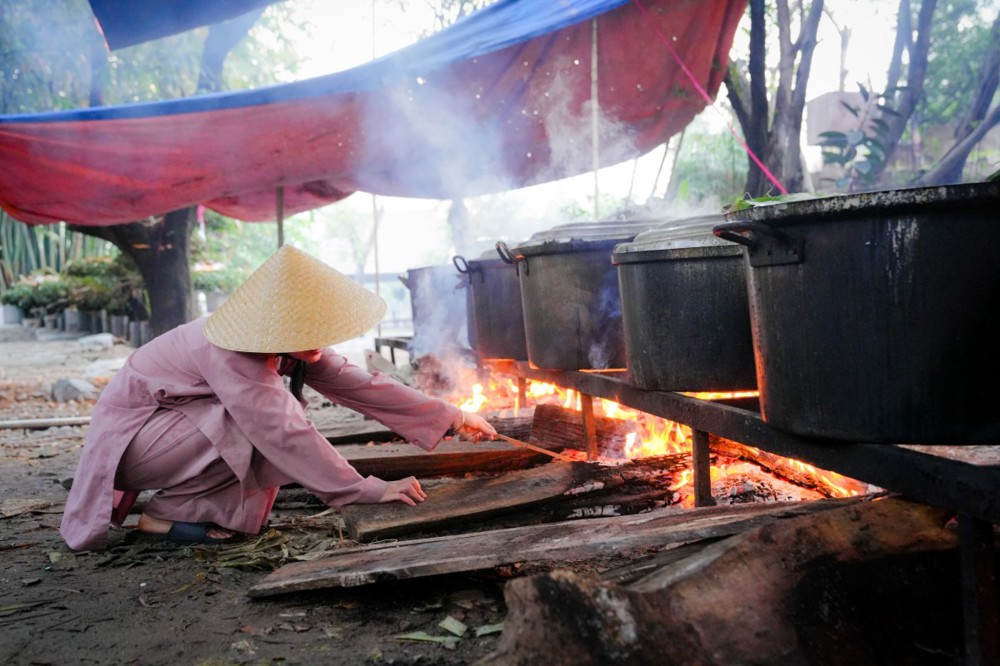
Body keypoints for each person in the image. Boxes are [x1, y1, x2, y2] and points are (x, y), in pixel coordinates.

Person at [60, 245, 496, 551]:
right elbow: (282, 430)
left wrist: (453, 415)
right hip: (136, 447)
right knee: (255, 420)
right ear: (273, 322)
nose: (319, 339)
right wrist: (363, 490)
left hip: (174, 436)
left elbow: (360, 383)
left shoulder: (292, 345)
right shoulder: (230, 348)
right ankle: (169, 514)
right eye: (305, 326)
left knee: (253, 418)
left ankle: (168, 514)